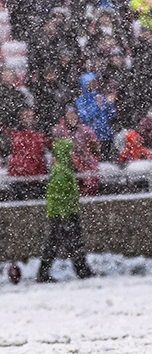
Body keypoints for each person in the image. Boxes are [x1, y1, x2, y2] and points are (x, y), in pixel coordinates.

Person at [36, 139, 94, 283]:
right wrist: (65, 214)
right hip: (65, 214)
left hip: (62, 213)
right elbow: (60, 196)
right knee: (70, 243)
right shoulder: (62, 172)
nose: (73, 155)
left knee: (60, 244)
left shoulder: (62, 170)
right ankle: (81, 271)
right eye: (71, 152)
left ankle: (80, 270)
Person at [76, 73, 117, 161]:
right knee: (93, 161)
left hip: (105, 135)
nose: (93, 85)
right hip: (91, 137)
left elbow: (112, 116)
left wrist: (110, 104)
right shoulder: (81, 101)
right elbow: (85, 118)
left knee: (106, 162)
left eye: (94, 82)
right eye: (90, 83)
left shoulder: (102, 97)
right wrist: (97, 106)